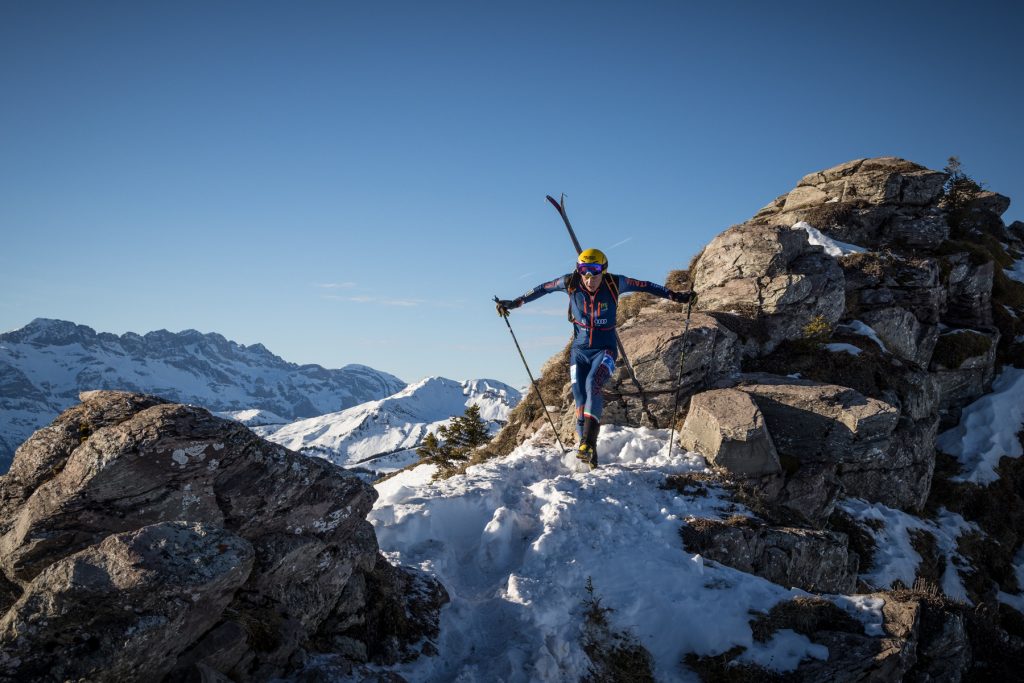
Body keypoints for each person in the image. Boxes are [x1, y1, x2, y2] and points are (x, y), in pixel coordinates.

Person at [496, 248, 692, 468]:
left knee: (593, 384)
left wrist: (676, 296)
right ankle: (589, 454)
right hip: (579, 352)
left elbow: (646, 286)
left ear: (604, 270)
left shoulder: (615, 283)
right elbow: (543, 288)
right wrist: (516, 302)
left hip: (605, 350)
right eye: (584, 273)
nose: (589, 279)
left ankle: (588, 444)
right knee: (580, 398)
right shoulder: (570, 282)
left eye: (594, 273)